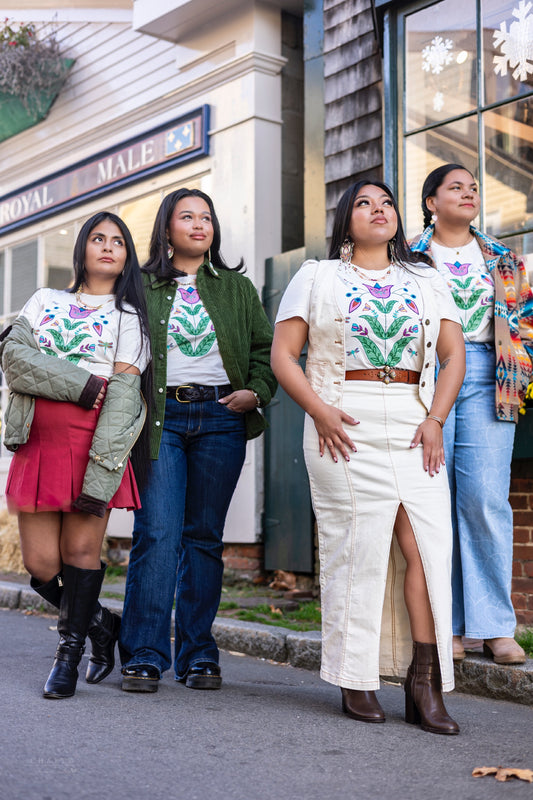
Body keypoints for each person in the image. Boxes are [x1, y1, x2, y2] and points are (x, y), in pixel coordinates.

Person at [271, 180, 465, 734]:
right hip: (343, 419)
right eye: (364, 203)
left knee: (425, 549)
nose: (379, 211)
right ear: (345, 219)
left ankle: (424, 683)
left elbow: (453, 358)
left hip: (413, 418)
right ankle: (356, 677)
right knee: (357, 550)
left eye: (386, 203)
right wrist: (319, 411)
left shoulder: (426, 278)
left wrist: (436, 420)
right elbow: (285, 356)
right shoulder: (317, 276)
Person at [119, 188, 277, 693]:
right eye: (186, 216)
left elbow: (265, 348)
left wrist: (256, 391)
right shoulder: (140, 286)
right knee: (157, 533)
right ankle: (144, 653)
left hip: (221, 417)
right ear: (166, 228)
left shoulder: (235, 287)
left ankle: (198, 654)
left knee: (203, 537)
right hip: (160, 418)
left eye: (206, 216)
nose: (198, 224)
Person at [0, 211, 151, 699]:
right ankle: (103, 626)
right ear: (82, 247)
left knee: (79, 554)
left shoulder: (131, 318)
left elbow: (124, 397)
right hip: (39, 444)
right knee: (42, 565)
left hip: (94, 445)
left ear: (127, 255)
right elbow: (14, 361)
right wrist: (86, 384)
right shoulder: (45, 299)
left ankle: (68, 656)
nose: (108, 247)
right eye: (98, 238)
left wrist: (103, 471)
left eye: (118, 241)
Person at [410, 163, 533, 665]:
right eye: (455, 187)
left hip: (489, 378)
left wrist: (521, 371)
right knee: (435, 501)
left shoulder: (504, 258)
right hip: (426, 377)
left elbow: (523, 321)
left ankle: (495, 627)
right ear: (431, 202)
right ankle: (448, 626)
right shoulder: (409, 257)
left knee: (484, 500)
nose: (468, 194)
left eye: (474, 188)